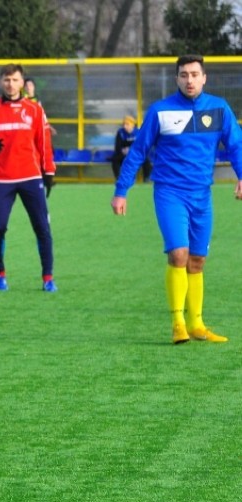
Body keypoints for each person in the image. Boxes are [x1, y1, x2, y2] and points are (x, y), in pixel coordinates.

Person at [111, 54, 242, 344]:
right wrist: (122, 191)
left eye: (195, 74)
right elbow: (137, 152)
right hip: (169, 193)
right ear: (176, 79)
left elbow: (236, 146)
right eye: (184, 75)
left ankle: (197, 324)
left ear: (204, 77)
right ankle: (177, 323)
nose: (190, 80)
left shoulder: (218, 109)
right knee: (178, 254)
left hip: (202, 196)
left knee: (198, 260)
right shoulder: (161, 111)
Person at [0, 63, 57, 292]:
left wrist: (48, 171)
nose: (11, 84)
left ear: (23, 83)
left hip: (31, 177)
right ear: (1, 82)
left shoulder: (35, 110)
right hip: (2, 179)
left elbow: (44, 141)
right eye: (7, 80)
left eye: (15, 80)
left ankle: (48, 278)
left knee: (42, 227)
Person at [111, 115, 151, 181]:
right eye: (124, 124)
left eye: (127, 124)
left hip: (135, 155)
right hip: (123, 155)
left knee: (146, 161)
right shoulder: (120, 132)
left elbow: (141, 146)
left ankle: (146, 178)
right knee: (115, 159)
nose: (125, 126)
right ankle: (118, 178)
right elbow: (118, 146)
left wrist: (129, 145)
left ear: (132, 125)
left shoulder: (138, 132)